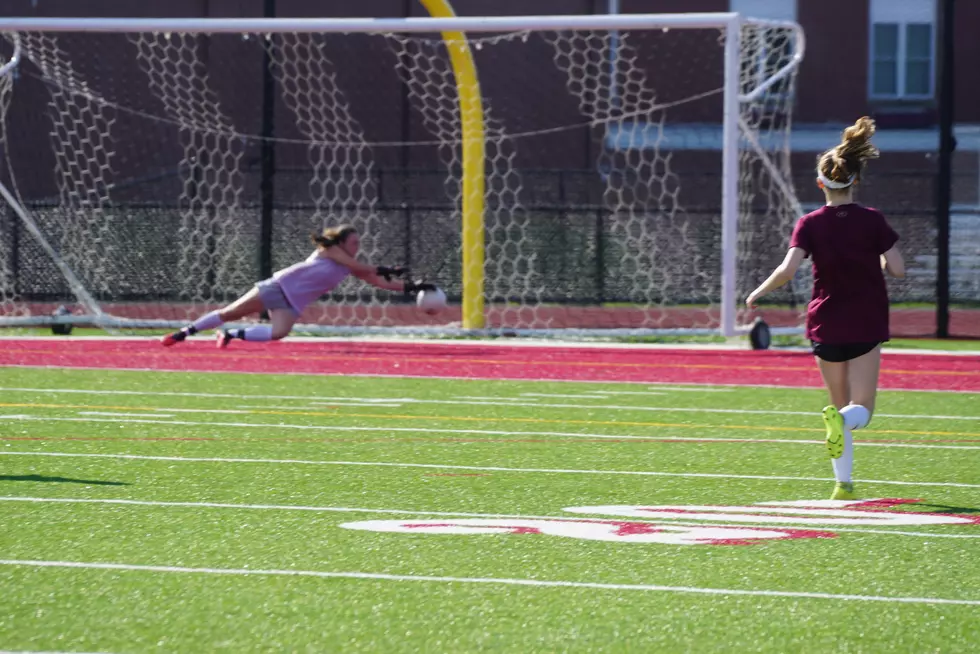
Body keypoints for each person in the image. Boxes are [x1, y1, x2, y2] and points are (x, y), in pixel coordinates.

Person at [745, 116, 905, 500]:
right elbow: (898, 269)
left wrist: (757, 292)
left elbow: (787, 270)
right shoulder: (872, 220)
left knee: (837, 408)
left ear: (821, 183)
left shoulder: (809, 223)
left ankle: (843, 485)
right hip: (865, 322)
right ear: (855, 181)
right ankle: (843, 460)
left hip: (825, 323)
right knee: (859, 411)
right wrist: (880, 260)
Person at [161, 225, 434, 348]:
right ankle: (185, 332)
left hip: (292, 303)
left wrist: (413, 287)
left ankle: (232, 335)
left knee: (279, 333)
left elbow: (375, 280)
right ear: (340, 242)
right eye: (353, 242)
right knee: (230, 311)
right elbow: (369, 270)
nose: (356, 247)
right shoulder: (331, 252)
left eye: (357, 244)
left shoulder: (350, 263)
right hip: (278, 287)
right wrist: (386, 268)